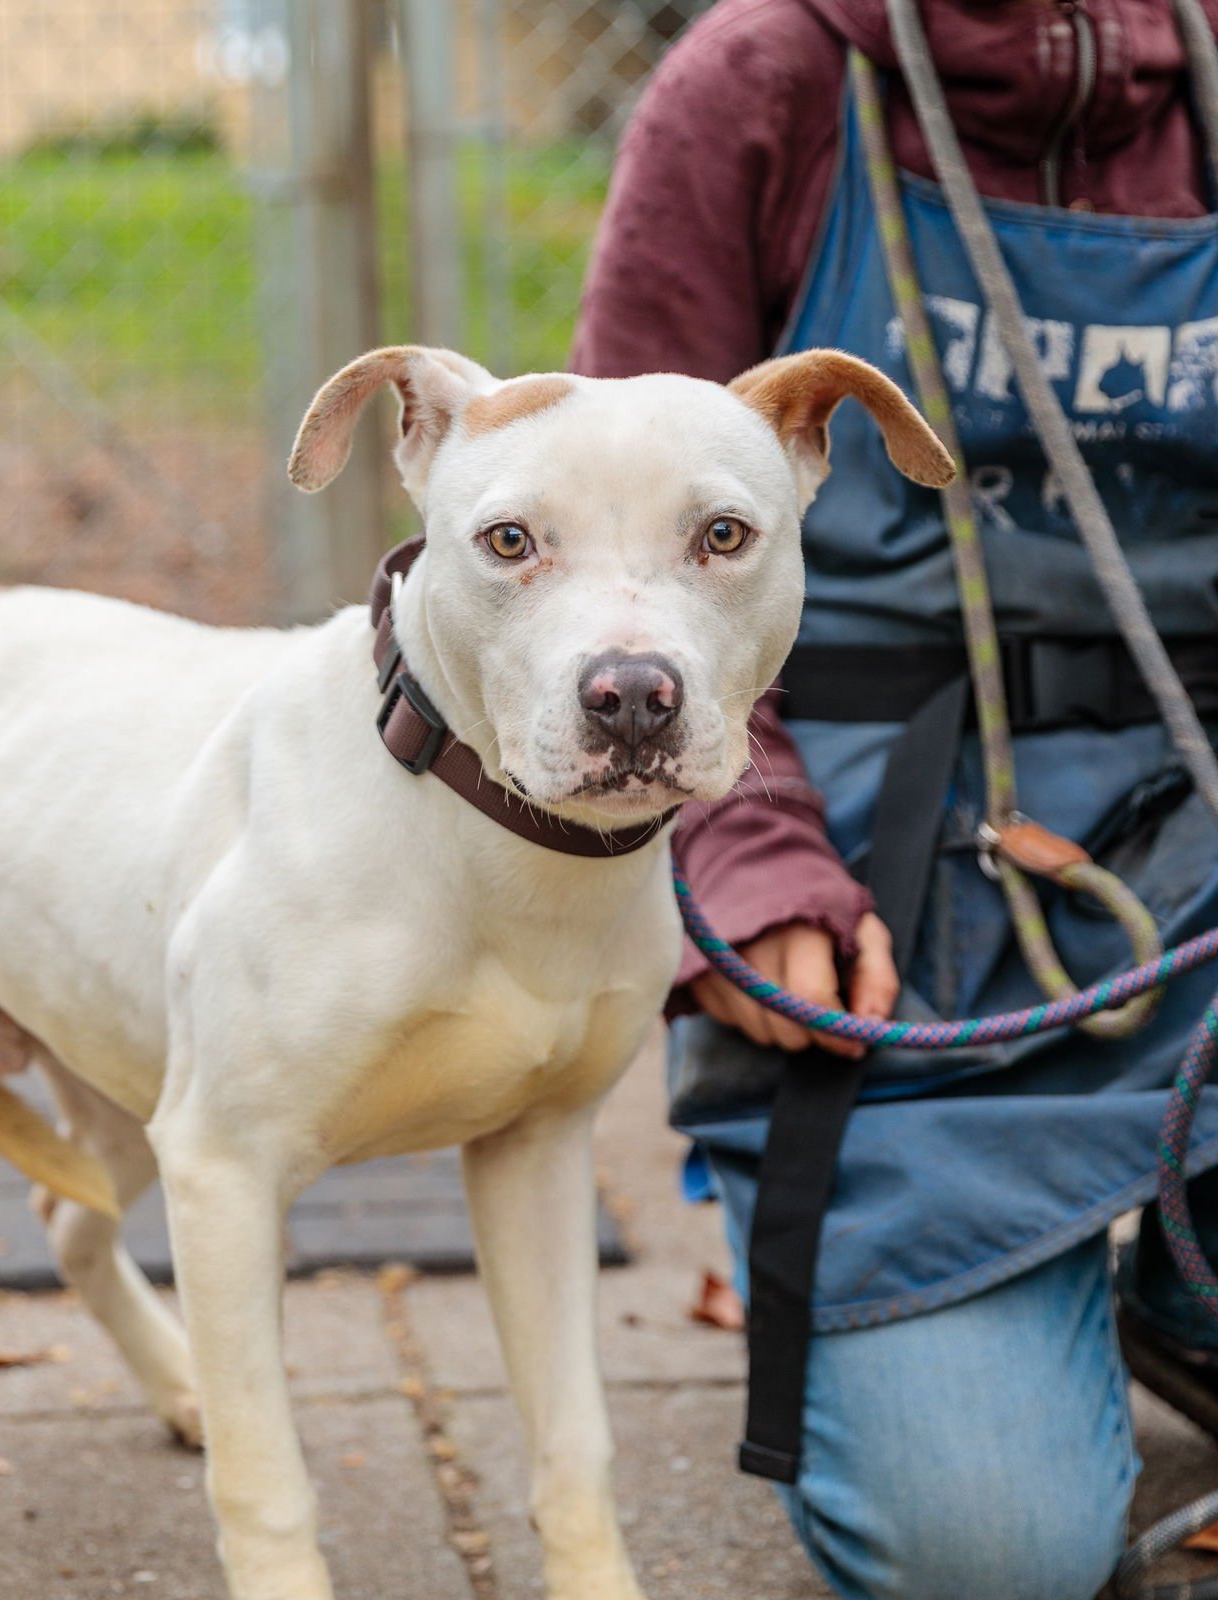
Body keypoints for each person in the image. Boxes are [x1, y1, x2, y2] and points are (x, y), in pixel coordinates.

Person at [571, 2, 1218, 1597]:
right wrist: (753, 855)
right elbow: (620, 556)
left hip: (1197, 829)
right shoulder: (765, 85)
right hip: (888, 879)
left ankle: (1176, 1292)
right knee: (982, 1558)